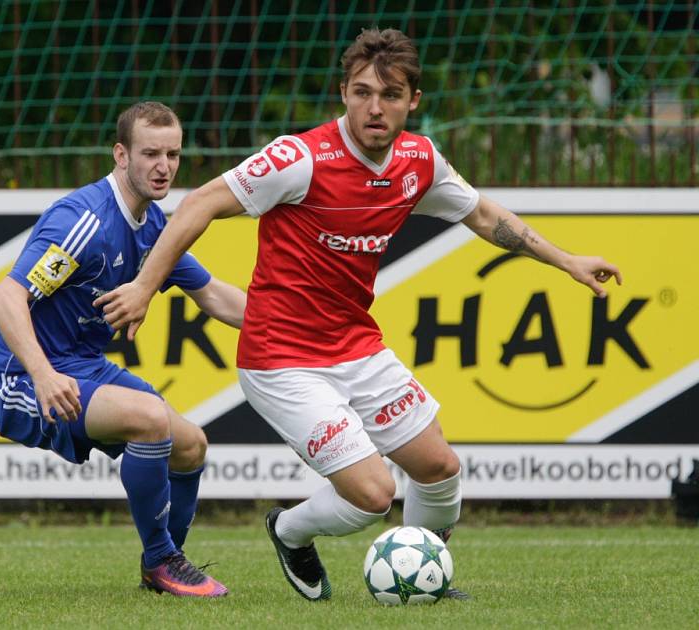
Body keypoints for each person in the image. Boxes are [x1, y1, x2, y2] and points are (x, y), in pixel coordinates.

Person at [93, 30, 622, 602]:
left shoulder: (419, 161)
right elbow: (198, 203)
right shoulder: (298, 159)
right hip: (281, 358)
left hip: (356, 346)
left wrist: (566, 260)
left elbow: (484, 214)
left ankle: (424, 580)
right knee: (373, 494)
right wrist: (146, 286)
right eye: (362, 92)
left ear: (412, 100)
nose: (375, 107)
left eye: (391, 95)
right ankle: (289, 530)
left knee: (439, 468)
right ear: (343, 92)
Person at [0, 101, 246, 598]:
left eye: (173, 154)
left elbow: (213, 295)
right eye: (150, 154)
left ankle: (165, 563)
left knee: (191, 445)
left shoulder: (152, 229)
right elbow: (6, 297)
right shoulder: (85, 223)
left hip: (82, 366)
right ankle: (162, 560)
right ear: (121, 155)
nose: (163, 166)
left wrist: (299, 328)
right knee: (150, 418)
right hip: (17, 380)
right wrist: (41, 375)